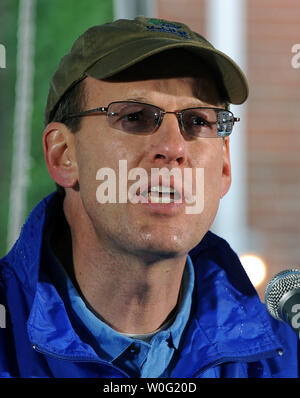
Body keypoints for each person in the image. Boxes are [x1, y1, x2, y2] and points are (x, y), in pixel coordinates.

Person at [0, 16, 298, 378]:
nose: (173, 148)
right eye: (136, 117)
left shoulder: (284, 361)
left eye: (198, 122)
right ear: (63, 155)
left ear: (223, 167)